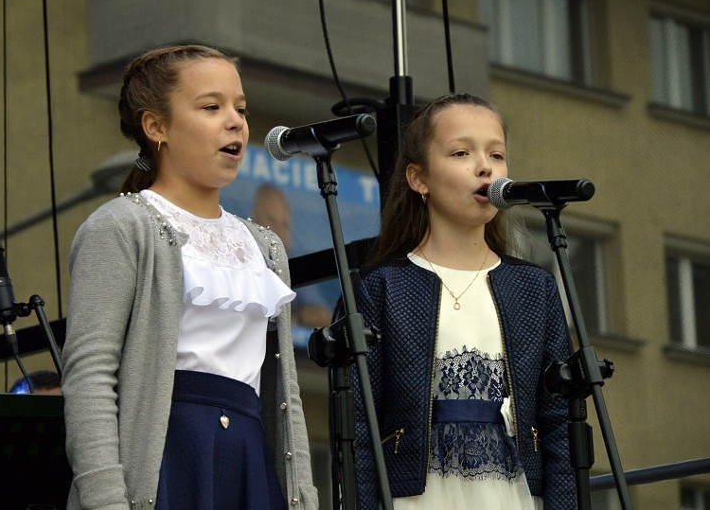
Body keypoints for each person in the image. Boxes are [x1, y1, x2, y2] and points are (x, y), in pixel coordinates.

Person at [61, 44, 318, 510]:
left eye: (240, 108)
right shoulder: (122, 226)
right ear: (156, 126)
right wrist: (106, 501)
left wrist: (303, 495)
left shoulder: (264, 246)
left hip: (247, 461)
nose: (235, 120)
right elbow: (90, 377)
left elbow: (287, 397)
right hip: (165, 462)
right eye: (211, 107)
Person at [351, 93, 576, 509]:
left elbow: (559, 423)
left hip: (513, 494)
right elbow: (359, 428)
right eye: (461, 152)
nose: (484, 166)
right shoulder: (382, 287)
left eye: (496, 154)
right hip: (415, 497)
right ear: (419, 179)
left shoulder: (533, 288)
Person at [251, 183, 332, 328]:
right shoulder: (240, 260)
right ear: (254, 219)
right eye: (272, 221)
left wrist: (296, 316)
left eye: (285, 225)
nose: (279, 232)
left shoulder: (290, 264)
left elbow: (321, 316)